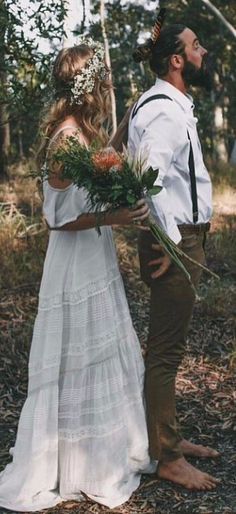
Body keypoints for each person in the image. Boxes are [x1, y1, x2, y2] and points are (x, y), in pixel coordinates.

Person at [0, 39, 153, 512]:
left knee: (99, 349)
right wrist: (118, 218)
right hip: (74, 262)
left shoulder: (79, 134)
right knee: (78, 356)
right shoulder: (66, 138)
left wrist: (125, 125)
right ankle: (75, 463)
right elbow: (57, 219)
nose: (107, 85)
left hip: (94, 257)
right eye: (102, 79)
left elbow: (91, 176)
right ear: (87, 86)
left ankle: (99, 453)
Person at [128, 22, 220, 490]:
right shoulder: (164, 111)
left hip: (180, 237)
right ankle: (166, 456)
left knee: (169, 346)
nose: (203, 50)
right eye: (196, 45)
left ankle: (169, 437)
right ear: (177, 60)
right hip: (176, 240)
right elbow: (145, 176)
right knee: (165, 352)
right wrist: (167, 241)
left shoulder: (168, 105)